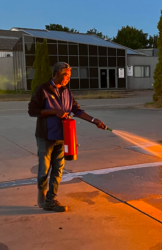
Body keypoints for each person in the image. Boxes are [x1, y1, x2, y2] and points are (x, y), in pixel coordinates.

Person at [28, 62, 107, 212]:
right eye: (65, 75)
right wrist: (54, 112)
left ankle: (50, 200)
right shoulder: (42, 90)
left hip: (62, 136)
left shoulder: (67, 92)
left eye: (69, 76)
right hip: (45, 136)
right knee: (44, 171)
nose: (68, 78)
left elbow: (77, 110)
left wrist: (94, 120)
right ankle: (42, 192)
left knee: (58, 170)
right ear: (57, 73)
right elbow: (32, 111)